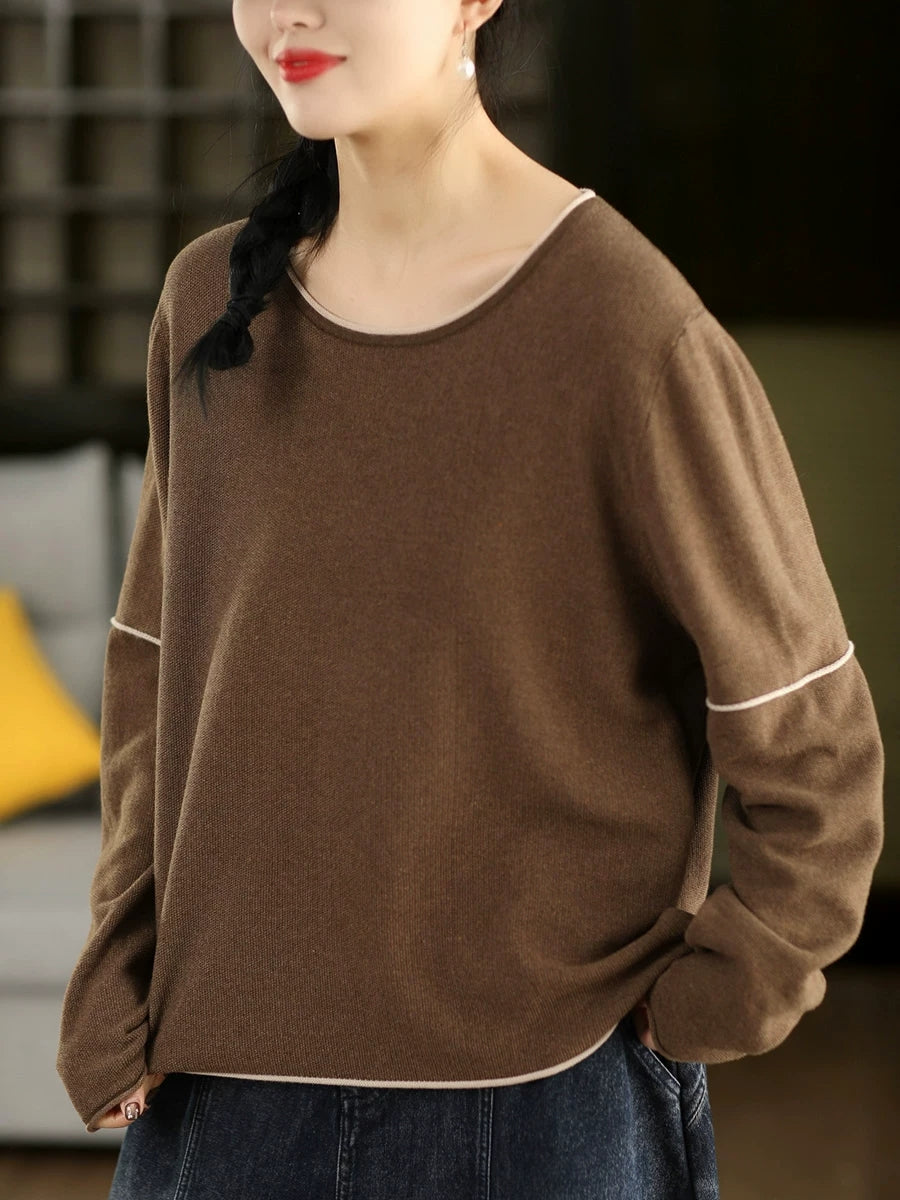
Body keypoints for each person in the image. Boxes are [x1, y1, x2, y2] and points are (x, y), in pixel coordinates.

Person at [55, 1, 885, 1197]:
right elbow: (153, 672)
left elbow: (811, 739)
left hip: (542, 1108)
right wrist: (116, 971)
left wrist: (728, 991)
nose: (291, 10)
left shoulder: (626, 327)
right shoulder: (212, 302)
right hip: (217, 1112)